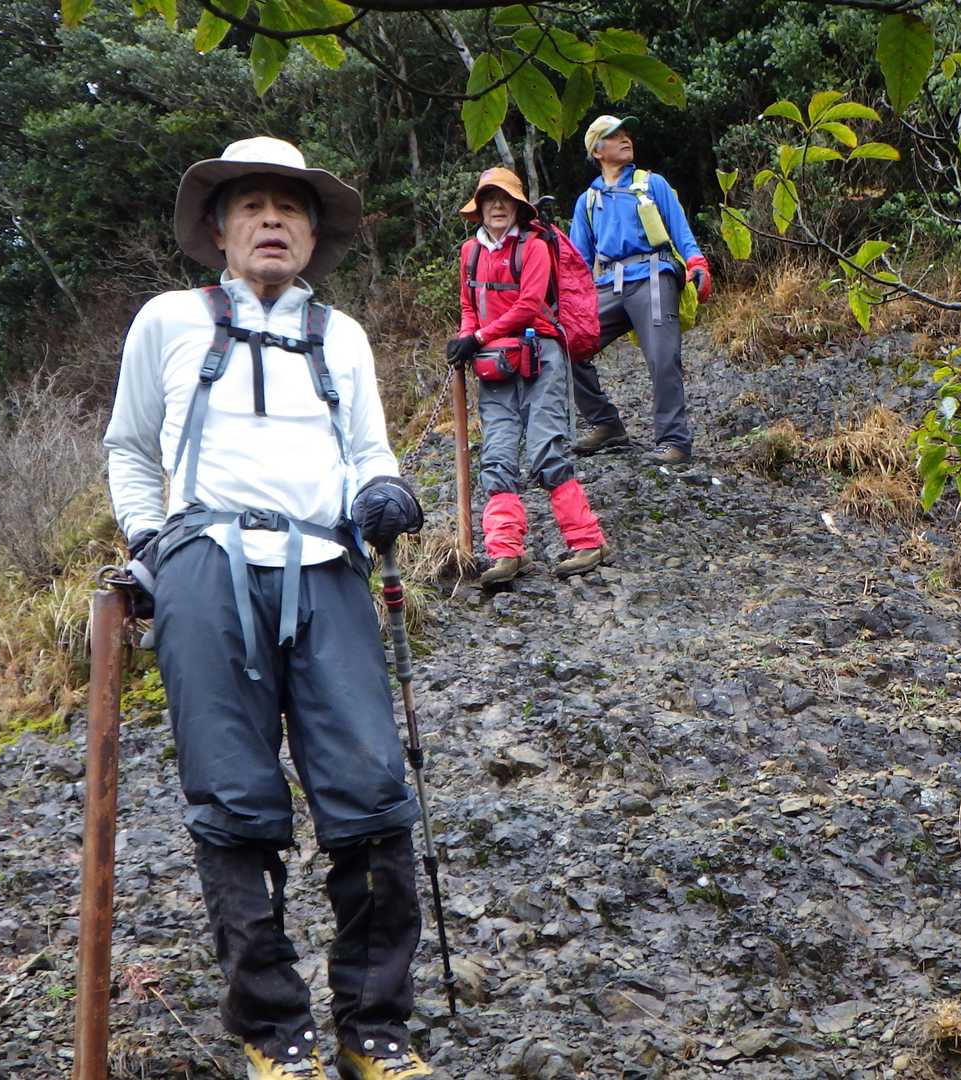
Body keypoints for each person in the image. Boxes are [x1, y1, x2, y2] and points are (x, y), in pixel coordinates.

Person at [103, 136, 435, 1080]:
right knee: (234, 799)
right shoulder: (168, 321)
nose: (272, 221)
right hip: (204, 564)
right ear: (218, 229)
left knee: (372, 791)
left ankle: (374, 1029)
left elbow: (368, 451)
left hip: (327, 561)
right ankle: (274, 1029)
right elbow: (130, 446)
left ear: (314, 233)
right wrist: (151, 543)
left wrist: (384, 492)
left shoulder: (343, 335)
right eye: (251, 206)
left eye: (290, 208)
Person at [446, 166, 610, 586]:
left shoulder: (534, 248)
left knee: (546, 450)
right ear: (480, 208)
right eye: (489, 199)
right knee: (497, 455)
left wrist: (477, 337)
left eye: (505, 199)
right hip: (494, 364)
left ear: (519, 207)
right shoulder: (470, 253)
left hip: (540, 357)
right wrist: (466, 336)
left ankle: (587, 541)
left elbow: (529, 305)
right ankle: (505, 552)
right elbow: (469, 306)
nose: (497, 206)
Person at [566, 114, 714, 466]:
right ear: (597, 151)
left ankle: (674, 441)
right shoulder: (588, 201)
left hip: (653, 276)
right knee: (565, 344)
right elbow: (577, 262)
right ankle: (606, 423)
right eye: (614, 135)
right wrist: (569, 301)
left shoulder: (652, 184)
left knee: (663, 357)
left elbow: (680, 230)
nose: (625, 139)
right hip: (608, 285)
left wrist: (697, 263)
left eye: (626, 133)